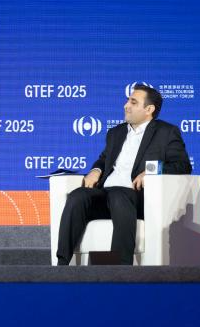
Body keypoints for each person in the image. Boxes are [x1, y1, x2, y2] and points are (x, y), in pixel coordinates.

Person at [56, 84, 192, 266]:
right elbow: (104, 159)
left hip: (136, 197)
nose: (126, 105)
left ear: (149, 110)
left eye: (133, 102)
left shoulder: (166, 132)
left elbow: (182, 165)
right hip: (105, 194)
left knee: (118, 195)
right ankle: (61, 264)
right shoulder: (116, 132)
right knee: (77, 195)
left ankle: (119, 268)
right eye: (128, 101)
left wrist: (151, 172)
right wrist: (95, 171)